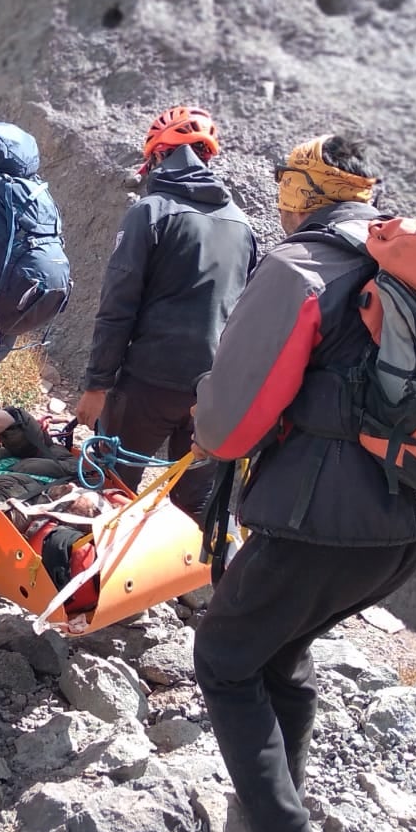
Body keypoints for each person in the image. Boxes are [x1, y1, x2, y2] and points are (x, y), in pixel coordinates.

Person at [190, 134, 416, 832]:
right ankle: (287, 813)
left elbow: (230, 420)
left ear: (307, 192)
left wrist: (215, 438)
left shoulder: (304, 266)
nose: (280, 196)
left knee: (223, 659)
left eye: (287, 183)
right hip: (408, 520)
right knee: (280, 652)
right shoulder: (412, 269)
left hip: (317, 522)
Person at [73, 105, 257, 521]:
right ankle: (188, 582)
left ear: (159, 155)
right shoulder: (242, 225)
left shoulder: (151, 212)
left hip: (147, 385)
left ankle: (98, 583)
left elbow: (117, 305)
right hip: (210, 390)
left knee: (111, 488)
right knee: (194, 504)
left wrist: (97, 385)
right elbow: (244, 313)